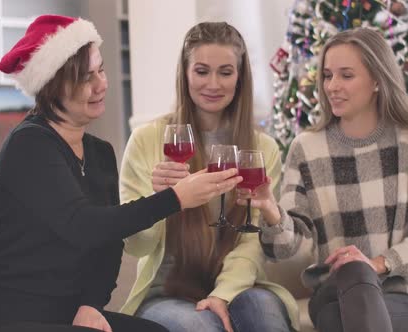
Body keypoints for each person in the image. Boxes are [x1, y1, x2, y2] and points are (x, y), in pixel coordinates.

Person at [0, 15, 242, 332]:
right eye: (85, 78)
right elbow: (83, 225)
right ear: (52, 86)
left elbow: (109, 244)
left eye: (101, 70)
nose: (100, 85)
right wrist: (175, 198)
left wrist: (91, 305)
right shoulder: (30, 143)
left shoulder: (99, 152)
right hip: (3, 315)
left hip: (64, 314)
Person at [238, 27, 408, 332]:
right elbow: (284, 249)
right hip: (334, 294)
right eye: (327, 75)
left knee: (349, 309)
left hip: (406, 297)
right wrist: (271, 211)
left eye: (346, 75)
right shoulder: (307, 148)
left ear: (378, 80)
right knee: (351, 276)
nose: (332, 86)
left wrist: (377, 263)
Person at [119, 22, 300, 332]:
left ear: (240, 77)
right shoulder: (146, 140)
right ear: (185, 74)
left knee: (265, 319)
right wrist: (158, 201)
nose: (213, 84)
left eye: (226, 72)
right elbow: (137, 246)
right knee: (199, 327)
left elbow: (251, 242)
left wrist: (223, 295)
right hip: (166, 293)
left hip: (242, 285)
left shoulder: (262, 148)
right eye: (202, 71)